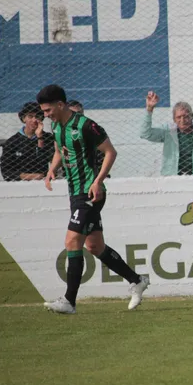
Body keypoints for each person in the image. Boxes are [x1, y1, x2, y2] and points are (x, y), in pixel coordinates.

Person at [37, 85, 149, 314]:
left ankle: (69, 301)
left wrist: (97, 181)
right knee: (95, 246)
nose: (46, 115)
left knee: (71, 242)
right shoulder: (57, 125)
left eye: (48, 110)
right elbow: (60, 149)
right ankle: (137, 280)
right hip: (74, 193)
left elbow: (111, 152)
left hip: (90, 193)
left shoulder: (86, 125)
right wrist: (52, 169)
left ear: (60, 104)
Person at [140, 92, 193, 175]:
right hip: (171, 177)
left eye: (186, 116)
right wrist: (149, 109)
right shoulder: (168, 130)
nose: (182, 120)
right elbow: (145, 133)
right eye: (179, 117)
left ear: (192, 116)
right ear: (174, 119)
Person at [0, 102, 55, 182]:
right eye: (30, 116)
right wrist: (29, 176)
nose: (34, 120)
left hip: (44, 181)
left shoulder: (48, 138)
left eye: (37, 117)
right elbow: (6, 171)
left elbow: (45, 162)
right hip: (19, 184)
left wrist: (40, 138)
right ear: (23, 118)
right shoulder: (13, 141)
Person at [67, 100, 105, 174]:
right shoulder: (60, 131)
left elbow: (106, 154)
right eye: (73, 114)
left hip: (92, 174)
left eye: (79, 114)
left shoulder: (93, 130)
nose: (76, 117)